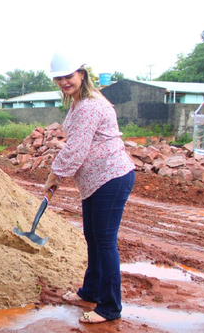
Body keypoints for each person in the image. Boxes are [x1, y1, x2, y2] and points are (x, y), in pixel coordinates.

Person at [43, 51, 135, 324]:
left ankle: (109, 308)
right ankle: (90, 292)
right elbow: (79, 144)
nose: (64, 82)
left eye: (68, 76)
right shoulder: (78, 102)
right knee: (93, 239)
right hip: (96, 181)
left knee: (105, 243)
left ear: (81, 74)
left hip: (112, 178)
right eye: (59, 78)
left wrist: (55, 174)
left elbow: (78, 148)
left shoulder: (89, 105)